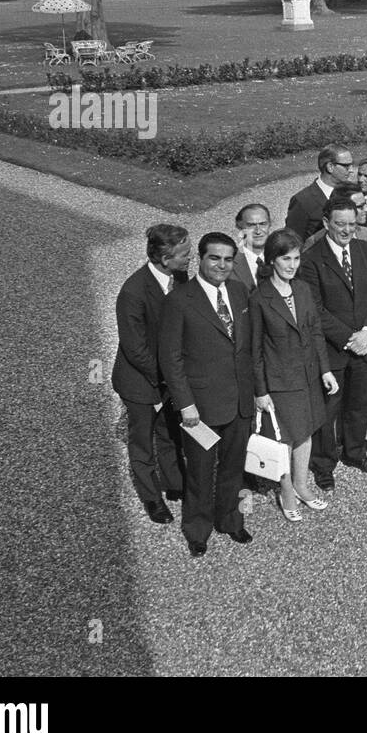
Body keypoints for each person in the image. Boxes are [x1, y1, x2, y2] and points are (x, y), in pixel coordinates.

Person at [157, 233, 256, 557]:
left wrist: (256, 395)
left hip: (239, 402)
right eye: (215, 258)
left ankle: (230, 519)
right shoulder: (179, 300)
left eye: (229, 259)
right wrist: (185, 405)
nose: (222, 265)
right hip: (199, 408)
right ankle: (197, 529)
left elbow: (248, 349)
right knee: (199, 473)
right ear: (201, 258)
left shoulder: (240, 292)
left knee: (233, 467)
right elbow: (171, 359)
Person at [251, 228, 339, 521]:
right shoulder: (260, 297)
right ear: (272, 260)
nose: (292, 265)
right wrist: (261, 391)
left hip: (309, 376)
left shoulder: (302, 289)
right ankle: (286, 489)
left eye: (296, 258)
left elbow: (315, 332)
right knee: (285, 438)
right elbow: (255, 349)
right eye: (285, 258)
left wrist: (325, 369)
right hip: (280, 382)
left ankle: (302, 484)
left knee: (307, 432)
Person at [298, 197, 367, 488]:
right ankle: (324, 464)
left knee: (359, 403)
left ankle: (355, 451)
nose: (347, 230)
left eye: (352, 223)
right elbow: (315, 309)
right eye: (340, 224)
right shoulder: (311, 259)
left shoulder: (364, 250)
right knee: (329, 408)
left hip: (364, 343)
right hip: (332, 350)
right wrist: (351, 338)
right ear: (326, 224)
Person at [112, 224, 190, 524]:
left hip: (168, 377)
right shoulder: (133, 292)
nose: (189, 258)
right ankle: (152, 498)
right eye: (183, 254)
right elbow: (136, 350)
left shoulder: (179, 277)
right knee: (143, 444)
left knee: (169, 433)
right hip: (141, 383)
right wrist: (170, 376)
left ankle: (174, 485)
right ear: (163, 257)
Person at [287, 145, 355, 241]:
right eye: (346, 166)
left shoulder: (351, 193)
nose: (351, 170)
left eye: (352, 165)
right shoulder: (302, 200)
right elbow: (292, 241)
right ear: (330, 167)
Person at [232, 203, 271, 290]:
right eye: (251, 225)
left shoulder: (282, 257)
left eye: (263, 224)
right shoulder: (229, 263)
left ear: (269, 225)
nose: (258, 231)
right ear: (239, 227)